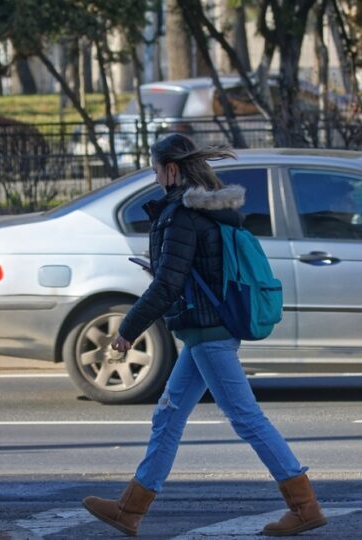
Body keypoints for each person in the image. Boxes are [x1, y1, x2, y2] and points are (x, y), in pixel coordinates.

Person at [82, 133, 327, 537]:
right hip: (203, 331)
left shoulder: (181, 215)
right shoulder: (203, 211)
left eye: (156, 168)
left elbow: (167, 285)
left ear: (171, 170)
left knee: (246, 418)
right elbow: (188, 274)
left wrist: (128, 330)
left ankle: (304, 506)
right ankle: (130, 509)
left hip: (208, 332)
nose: (154, 175)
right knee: (169, 415)